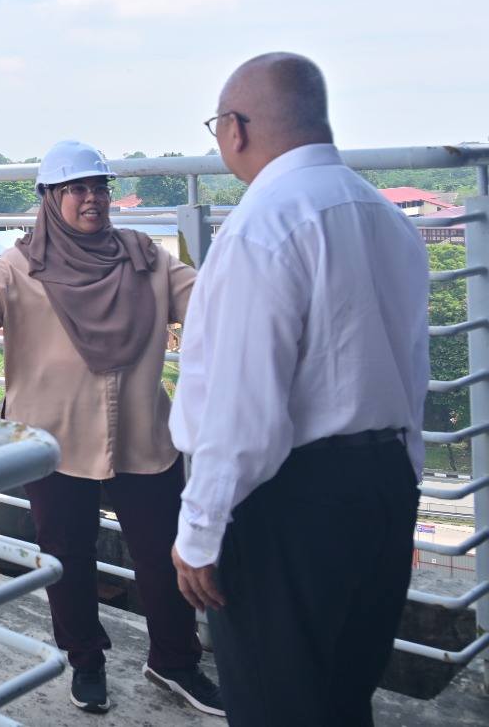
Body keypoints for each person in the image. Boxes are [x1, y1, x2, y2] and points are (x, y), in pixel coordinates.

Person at [0, 139, 225, 717]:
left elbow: (207, 299)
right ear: (50, 199)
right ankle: (86, 661)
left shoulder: (143, 258)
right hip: (53, 436)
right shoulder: (21, 265)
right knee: (67, 556)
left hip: (141, 432)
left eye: (99, 187)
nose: (91, 199)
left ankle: (175, 661)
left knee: (163, 552)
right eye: (76, 189)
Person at [170, 53, 428, 726]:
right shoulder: (385, 216)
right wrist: (405, 482)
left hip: (287, 501)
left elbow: (242, 409)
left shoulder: (263, 224)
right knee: (345, 695)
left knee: (275, 704)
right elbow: (413, 370)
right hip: (383, 486)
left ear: (236, 129)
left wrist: (199, 531)